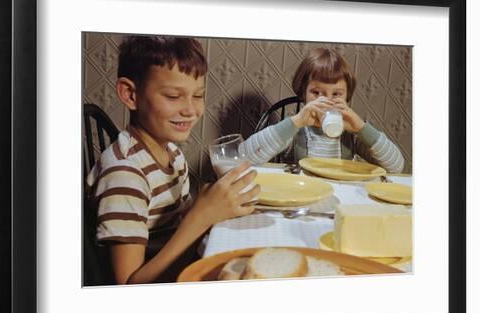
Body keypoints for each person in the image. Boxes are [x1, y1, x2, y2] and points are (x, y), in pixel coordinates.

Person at [86, 36, 259, 284]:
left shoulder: (173, 154)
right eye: (173, 96)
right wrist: (201, 217)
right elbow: (128, 288)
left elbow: (180, 223)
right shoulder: (124, 174)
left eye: (197, 95)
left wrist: (210, 204)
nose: (190, 110)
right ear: (130, 94)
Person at [242, 47, 405, 173]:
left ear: (347, 97)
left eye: (336, 94)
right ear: (303, 93)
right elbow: (246, 158)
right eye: (316, 93)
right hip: (302, 196)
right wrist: (295, 122)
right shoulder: (296, 131)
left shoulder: (351, 134)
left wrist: (361, 128)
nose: (326, 101)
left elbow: (396, 167)